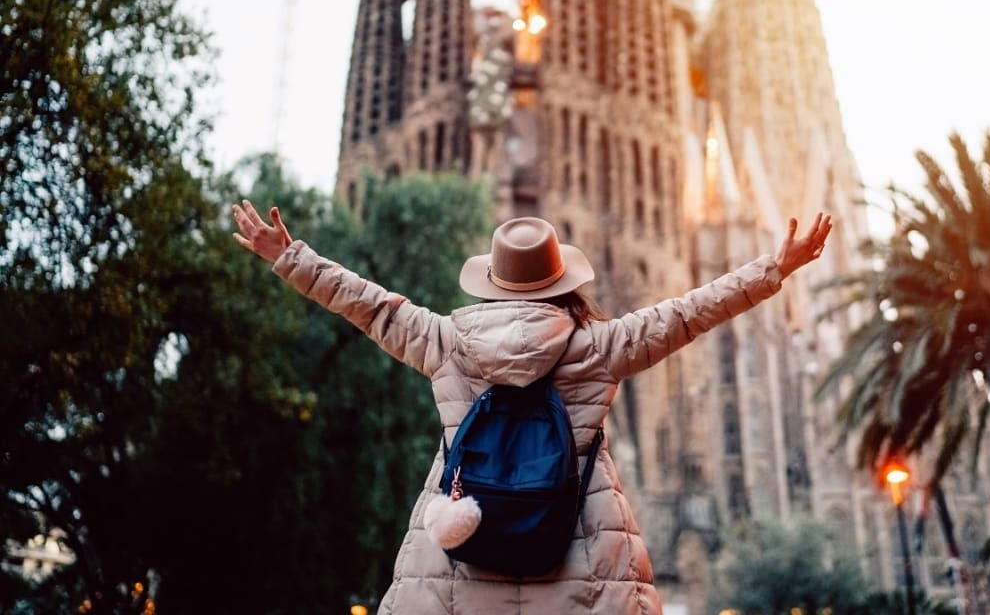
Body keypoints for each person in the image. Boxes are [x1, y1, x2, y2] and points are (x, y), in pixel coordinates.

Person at [232, 200, 832, 614]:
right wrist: (775, 267)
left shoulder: (446, 342)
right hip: (580, 557)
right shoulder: (599, 348)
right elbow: (689, 312)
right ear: (563, 284)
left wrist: (290, 257)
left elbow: (371, 306)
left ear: (490, 282)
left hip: (458, 562)